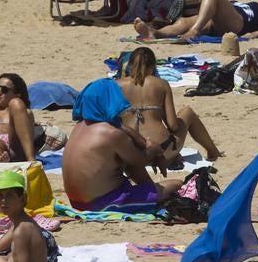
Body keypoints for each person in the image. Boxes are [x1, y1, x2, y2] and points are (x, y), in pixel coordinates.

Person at [61, 78, 184, 212]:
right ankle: (150, 193)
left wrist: (147, 144)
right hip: (102, 203)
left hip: (77, 203)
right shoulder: (111, 134)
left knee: (125, 158)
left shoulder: (80, 126)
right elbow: (140, 160)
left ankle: (149, 191)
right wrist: (154, 150)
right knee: (176, 185)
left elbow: (125, 129)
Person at [116, 47, 223, 163]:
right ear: (153, 66)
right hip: (162, 151)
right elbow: (173, 126)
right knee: (187, 112)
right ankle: (213, 152)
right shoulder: (161, 84)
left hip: (130, 153)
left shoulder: (115, 85)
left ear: (130, 65)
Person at [133, 0, 258, 42]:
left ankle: (195, 31)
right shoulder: (250, 4)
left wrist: (256, 33)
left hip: (238, 23)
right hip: (221, 19)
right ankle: (155, 33)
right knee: (184, 22)